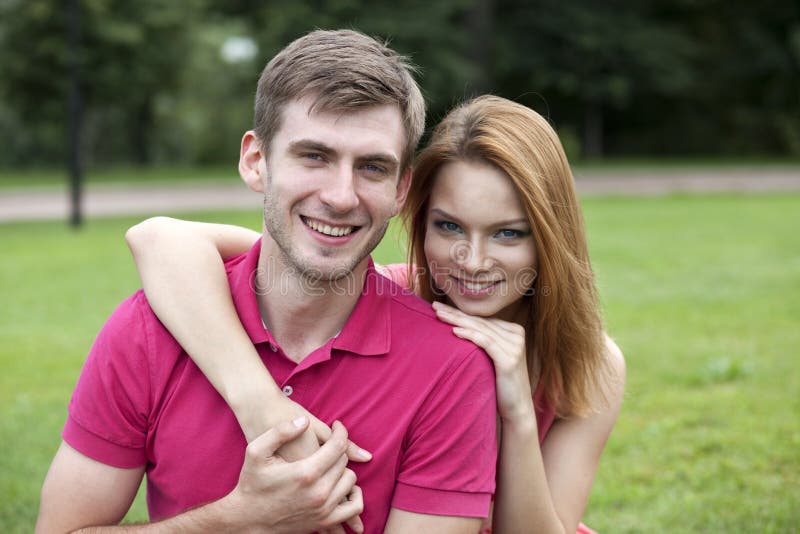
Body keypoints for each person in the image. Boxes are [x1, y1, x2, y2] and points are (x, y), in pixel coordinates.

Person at [36, 30, 499, 534]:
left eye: (371, 167)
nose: (341, 197)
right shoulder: (146, 330)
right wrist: (237, 521)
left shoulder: (450, 367)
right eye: (314, 156)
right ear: (256, 161)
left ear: (401, 189)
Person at [123, 95, 626, 533]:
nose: (473, 261)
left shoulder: (590, 362)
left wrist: (515, 412)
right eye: (449, 227)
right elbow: (158, 239)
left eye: (507, 233)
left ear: (549, 237)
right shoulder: (382, 291)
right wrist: (263, 405)